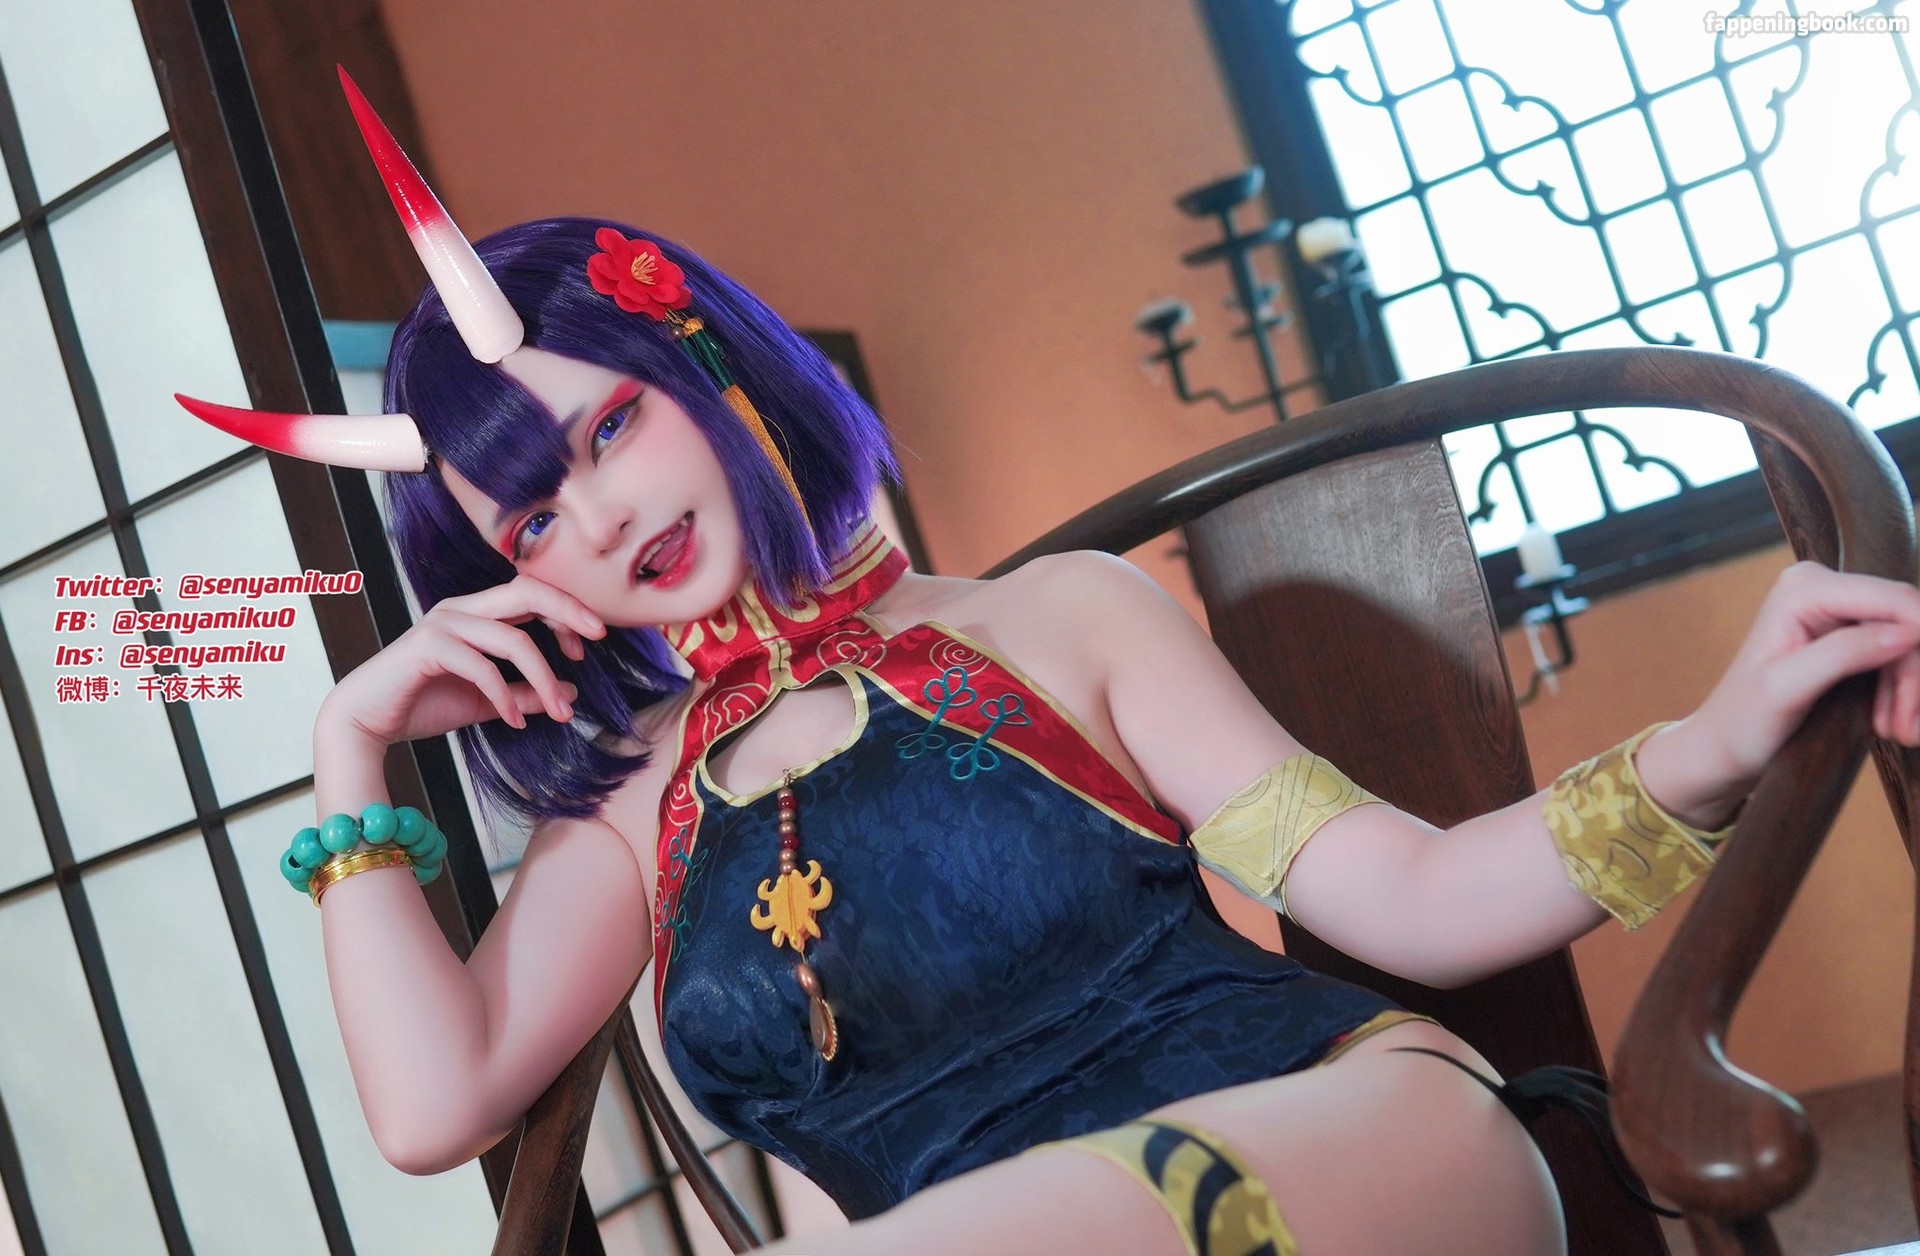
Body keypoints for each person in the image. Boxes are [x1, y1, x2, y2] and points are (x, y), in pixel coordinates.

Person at [178, 72, 1920, 1256]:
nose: (600, 514)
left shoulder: (1057, 620)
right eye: (533, 516)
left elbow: (1414, 898)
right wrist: (350, 744)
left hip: (1352, 1145)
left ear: (706, 365)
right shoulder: (631, 813)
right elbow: (432, 1106)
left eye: (611, 427)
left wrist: (1714, 740)